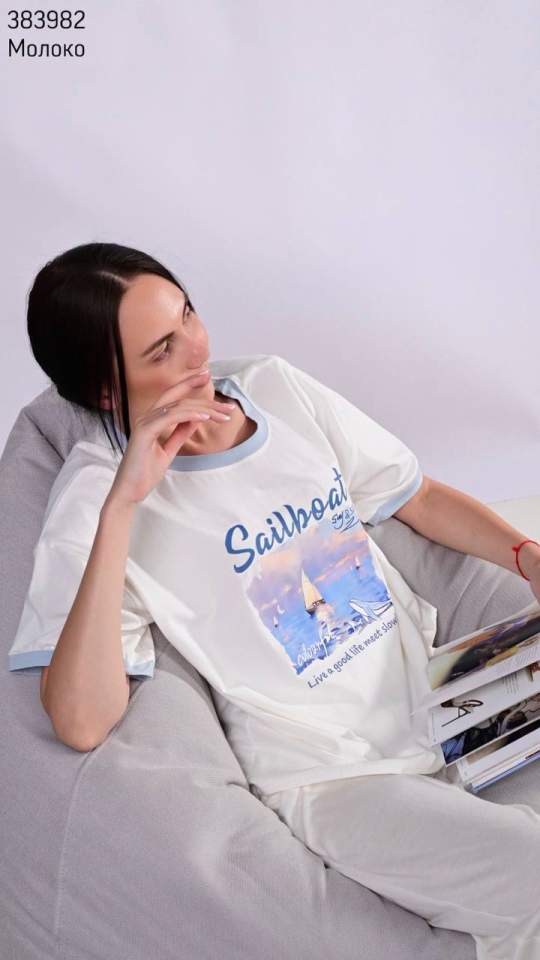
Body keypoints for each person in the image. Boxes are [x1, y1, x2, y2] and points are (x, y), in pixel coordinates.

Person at [7, 242, 540, 960]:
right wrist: (124, 506)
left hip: (444, 703)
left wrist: (525, 556)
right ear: (106, 392)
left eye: (187, 314)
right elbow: (79, 719)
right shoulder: (100, 490)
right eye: (162, 349)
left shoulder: (274, 386)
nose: (197, 348)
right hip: (334, 782)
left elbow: (416, 497)